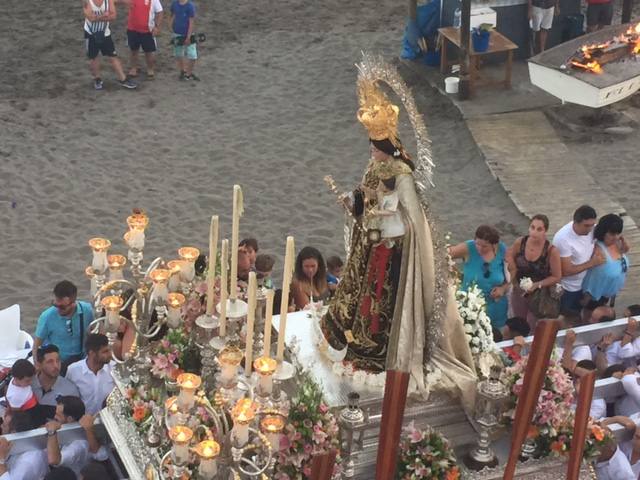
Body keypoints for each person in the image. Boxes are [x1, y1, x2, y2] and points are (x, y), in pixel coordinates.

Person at [321, 73, 476, 400]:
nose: (371, 152)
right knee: (359, 291)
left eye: (374, 147)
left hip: (391, 248)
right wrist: (354, 203)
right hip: (371, 242)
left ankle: (376, 348)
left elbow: (411, 218)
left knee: (380, 301)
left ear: (384, 146)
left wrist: (383, 218)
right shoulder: (376, 165)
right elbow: (365, 192)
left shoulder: (402, 173)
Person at [449, 225, 509, 329]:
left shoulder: (502, 250)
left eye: (484, 246)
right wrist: (454, 273)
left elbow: (512, 274)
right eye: (477, 244)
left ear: (494, 245)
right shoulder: (468, 248)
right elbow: (443, 255)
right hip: (471, 308)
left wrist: (503, 289)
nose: (480, 248)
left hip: (496, 307)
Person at [507, 214, 561, 327]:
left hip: (538, 296)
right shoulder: (520, 242)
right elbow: (509, 255)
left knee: (532, 325)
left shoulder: (551, 251)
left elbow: (556, 276)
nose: (534, 232)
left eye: (539, 229)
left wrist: (537, 285)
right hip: (519, 291)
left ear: (545, 231)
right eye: (532, 227)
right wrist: (512, 271)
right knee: (518, 322)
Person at [34, 281, 95, 375]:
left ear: (73, 303)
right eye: (55, 305)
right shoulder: (47, 316)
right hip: (58, 365)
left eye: (62, 307)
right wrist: (37, 365)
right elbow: (37, 344)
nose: (58, 309)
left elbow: (95, 331)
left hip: (82, 361)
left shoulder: (86, 310)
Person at [552, 205, 602, 315]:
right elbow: (566, 270)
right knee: (568, 316)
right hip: (569, 288)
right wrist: (592, 263)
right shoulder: (563, 239)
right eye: (586, 226)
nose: (590, 229)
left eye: (592, 225)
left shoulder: (592, 229)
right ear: (576, 222)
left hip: (586, 283)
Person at [46, 397, 108, 476]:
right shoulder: (61, 427)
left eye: (58, 415)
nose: (54, 417)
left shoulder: (79, 445)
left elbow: (54, 460)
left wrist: (51, 432)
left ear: (69, 419)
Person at [82, 0, 137, 90]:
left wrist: (97, 17)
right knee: (93, 57)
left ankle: (123, 79)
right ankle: (97, 78)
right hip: (91, 33)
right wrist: (104, 15)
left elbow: (113, 16)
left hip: (105, 33)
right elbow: (90, 18)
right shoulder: (87, 1)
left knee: (113, 56)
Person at [582, 214, 629, 312]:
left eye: (618, 233)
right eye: (612, 234)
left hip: (609, 294)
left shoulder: (618, 244)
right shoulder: (597, 249)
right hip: (592, 297)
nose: (615, 237)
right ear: (603, 232)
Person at [31, 345, 81, 426]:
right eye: (50, 362)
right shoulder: (28, 384)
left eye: (58, 361)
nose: (56, 366)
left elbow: (73, 423)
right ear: (39, 364)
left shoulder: (70, 390)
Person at [65, 334, 114, 415]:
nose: (110, 354)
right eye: (105, 352)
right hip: (81, 422)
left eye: (109, 350)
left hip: (108, 420)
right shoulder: (73, 370)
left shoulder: (114, 369)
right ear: (92, 353)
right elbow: (68, 401)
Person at [122, 0, 164, 79]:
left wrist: (157, 27)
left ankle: (150, 69)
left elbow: (160, 12)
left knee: (149, 52)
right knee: (133, 50)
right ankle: (133, 68)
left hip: (147, 30)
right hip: (133, 28)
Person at [0, 411, 48, 480]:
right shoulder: (18, 446)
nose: (1, 426)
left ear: (13, 433)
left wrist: (1, 460)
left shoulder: (27, 462)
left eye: (4, 425)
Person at [169, 0, 199, 80]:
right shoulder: (174, 4)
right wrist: (170, 25)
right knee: (178, 54)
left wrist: (188, 37)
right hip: (177, 33)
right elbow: (173, 15)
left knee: (193, 55)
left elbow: (191, 22)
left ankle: (189, 73)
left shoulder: (190, 6)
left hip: (188, 34)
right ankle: (183, 71)